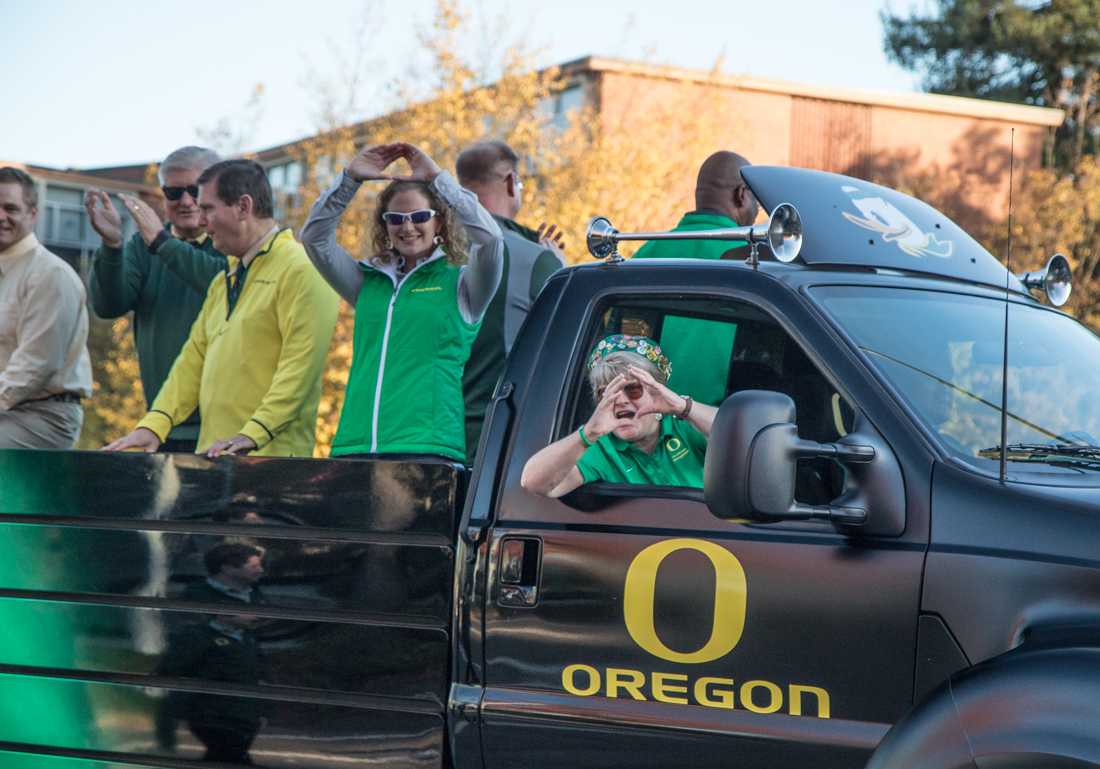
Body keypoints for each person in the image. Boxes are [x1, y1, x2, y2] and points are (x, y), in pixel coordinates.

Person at [103, 160, 339, 457]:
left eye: (208, 209)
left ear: (243, 206)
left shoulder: (302, 270)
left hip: (273, 464)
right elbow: (191, 363)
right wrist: (153, 426)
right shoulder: (224, 279)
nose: (201, 221)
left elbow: (299, 370)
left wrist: (252, 434)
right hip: (215, 459)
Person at [300, 142, 503, 462]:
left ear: (439, 222)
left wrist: (438, 178)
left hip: (427, 447)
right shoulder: (367, 281)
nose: (407, 227)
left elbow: (490, 239)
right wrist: (349, 179)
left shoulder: (462, 283)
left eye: (419, 216)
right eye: (396, 218)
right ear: (385, 225)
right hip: (355, 445)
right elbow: (313, 237)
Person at [85, 146, 228, 453]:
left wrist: (162, 243)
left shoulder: (232, 244)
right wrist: (111, 245)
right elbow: (107, 305)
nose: (186, 201)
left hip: (228, 427)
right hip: (163, 424)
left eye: (195, 190)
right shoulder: (142, 246)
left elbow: (221, 283)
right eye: (174, 192)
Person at [455, 140, 565, 460]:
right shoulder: (533, 259)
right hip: (494, 445)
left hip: (421, 440)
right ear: (509, 182)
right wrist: (561, 267)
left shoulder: (424, 250)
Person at [632, 151, 760, 406]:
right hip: (715, 432)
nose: (758, 211)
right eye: (757, 200)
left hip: (645, 429)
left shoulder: (645, 254)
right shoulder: (751, 260)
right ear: (742, 195)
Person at [521, 335, 716, 497]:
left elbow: (742, 436)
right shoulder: (599, 447)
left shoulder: (685, 425)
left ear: (658, 389)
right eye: (608, 393)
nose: (620, 400)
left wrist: (683, 407)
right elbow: (534, 483)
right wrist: (588, 433)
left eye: (632, 389)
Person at [0, 167, 93, 449]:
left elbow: (35, 365)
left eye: (10, 208)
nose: (1, 216)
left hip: (45, 415)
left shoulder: (49, 274)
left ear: (33, 214)